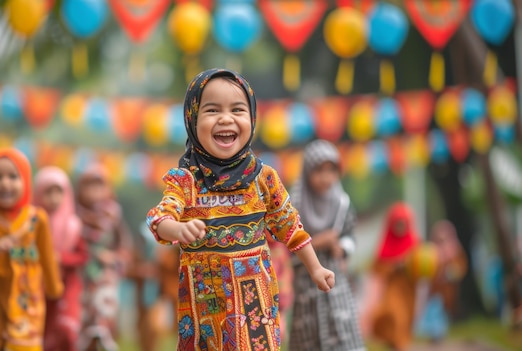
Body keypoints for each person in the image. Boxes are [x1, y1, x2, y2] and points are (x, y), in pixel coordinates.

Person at [145, 68, 335, 351]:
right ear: (192, 119)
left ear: (252, 119)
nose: (226, 118)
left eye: (237, 109)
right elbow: (159, 217)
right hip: (205, 304)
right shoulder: (185, 181)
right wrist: (179, 229)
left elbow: (290, 226)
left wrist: (316, 268)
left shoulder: (264, 178)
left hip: (254, 301)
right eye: (211, 110)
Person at [0, 148, 63, 351]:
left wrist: (53, 288)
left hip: (27, 296)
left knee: (24, 345)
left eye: (13, 176)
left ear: (25, 181)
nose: (5, 183)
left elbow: (47, 257)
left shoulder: (36, 218)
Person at [288, 140, 364, 351]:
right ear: (307, 171)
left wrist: (342, 247)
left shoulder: (341, 202)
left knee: (342, 331)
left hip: (335, 279)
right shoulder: (294, 204)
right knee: (308, 335)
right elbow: (285, 243)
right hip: (305, 281)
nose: (325, 178)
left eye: (331, 171)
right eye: (319, 171)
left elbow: (349, 235)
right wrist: (320, 241)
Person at [75, 164, 133, 351]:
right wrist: (90, 253)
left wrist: (115, 257)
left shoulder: (113, 214)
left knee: (104, 312)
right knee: (82, 318)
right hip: (81, 271)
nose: (95, 191)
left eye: (99, 186)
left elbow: (124, 243)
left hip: (105, 275)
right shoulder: (75, 215)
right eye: (89, 186)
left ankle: (103, 339)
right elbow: (71, 241)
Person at [33, 166, 88, 351]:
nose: (54, 198)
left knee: (66, 328)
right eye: (48, 192)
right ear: (38, 193)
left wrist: (60, 258)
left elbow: (82, 256)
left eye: (59, 191)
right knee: (42, 332)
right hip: (37, 285)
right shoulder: (31, 223)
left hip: (67, 285)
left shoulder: (72, 225)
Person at [359, 202, 422, 351]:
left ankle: (397, 344)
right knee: (393, 314)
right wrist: (394, 266)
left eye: (402, 224)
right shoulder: (386, 242)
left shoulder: (414, 242)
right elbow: (377, 267)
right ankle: (396, 344)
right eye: (397, 224)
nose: (400, 228)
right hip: (392, 289)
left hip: (409, 290)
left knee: (405, 318)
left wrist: (409, 265)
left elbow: (421, 266)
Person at [415, 220, 467, 342]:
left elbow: (460, 267)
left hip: (447, 291)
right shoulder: (431, 251)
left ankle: (439, 333)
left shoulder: (455, 251)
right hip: (434, 289)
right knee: (433, 311)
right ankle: (434, 332)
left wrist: (451, 272)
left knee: (442, 313)